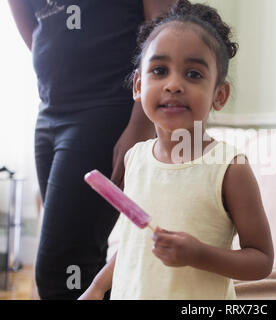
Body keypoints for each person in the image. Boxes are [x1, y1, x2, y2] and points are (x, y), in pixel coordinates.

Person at [79, 0, 274, 300]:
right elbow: (137, 243)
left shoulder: (229, 168)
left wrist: (199, 254)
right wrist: (97, 287)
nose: (173, 84)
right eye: (159, 70)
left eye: (193, 74)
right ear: (138, 86)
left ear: (219, 95)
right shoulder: (136, 159)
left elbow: (261, 260)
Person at [7, 0, 176, 299]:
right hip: (50, 112)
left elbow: (162, 29)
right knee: (82, 264)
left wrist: (140, 123)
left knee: (59, 268)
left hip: (105, 110)